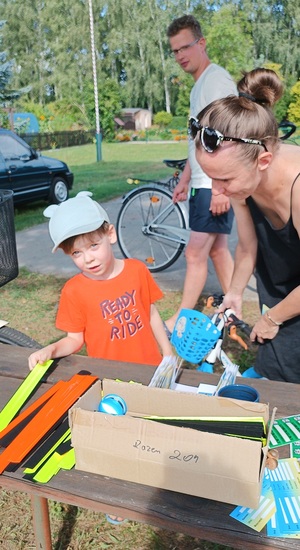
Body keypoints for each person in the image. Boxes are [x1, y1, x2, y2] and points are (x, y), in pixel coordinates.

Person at [191, 67, 300, 383]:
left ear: (263, 161)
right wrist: (235, 292)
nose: (217, 190)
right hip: (283, 289)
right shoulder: (243, 175)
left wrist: (272, 318)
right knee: (276, 371)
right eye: (211, 178)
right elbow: (249, 246)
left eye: (223, 180)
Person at [28, 191, 174, 371]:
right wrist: (51, 349)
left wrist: (167, 351)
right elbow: (74, 339)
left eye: (93, 246)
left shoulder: (137, 270)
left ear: (110, 234)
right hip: (109, 375)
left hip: (150, 368)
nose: (88, 259)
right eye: (76, 253)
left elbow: (150, 313)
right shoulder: (73, 290)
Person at [164, 15, 236, 338]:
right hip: (201, 182)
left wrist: (221, 188)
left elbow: (230, 134)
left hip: (213, 184)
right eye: (174, 51)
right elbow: (201, 139)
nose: (180, 56)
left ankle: (179, 320)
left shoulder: (216, 81)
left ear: (201, 43)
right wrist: (185, 178)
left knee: (195, 253)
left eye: (185, 47)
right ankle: (235, 314)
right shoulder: (199, 85)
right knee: (218, 250)